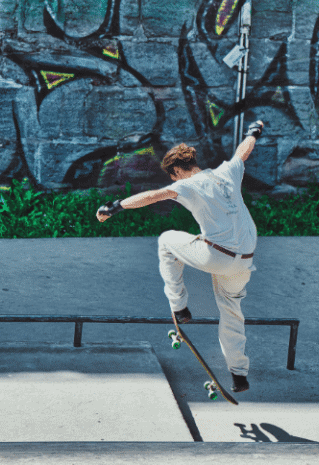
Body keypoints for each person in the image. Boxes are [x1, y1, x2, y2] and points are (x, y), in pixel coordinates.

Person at [96, 121, 264, 392]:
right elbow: (243, 151)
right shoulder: (228, 171)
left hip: (216, 256)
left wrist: (115, 206)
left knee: (166, 241)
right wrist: (253, 131)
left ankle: (180, 307)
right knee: (232, 311)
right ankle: (239, 374)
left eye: (172, 176)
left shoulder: (188, 185)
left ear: (176, 170)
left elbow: (154, 195)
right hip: (244, 261)